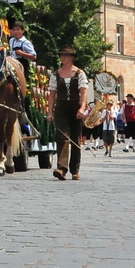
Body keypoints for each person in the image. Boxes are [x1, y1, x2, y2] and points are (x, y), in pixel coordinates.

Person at [48, 45, 90, 181]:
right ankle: (62, 168)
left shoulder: (79, 73)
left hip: (75, 106)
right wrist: (50, 112)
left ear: (72, 58)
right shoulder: (56, 74)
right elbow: (52, 94)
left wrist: (82, 108)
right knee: (62, 137)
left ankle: (75, 169)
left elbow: (84, 92)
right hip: (61, 107)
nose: (63, 58)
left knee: (76, 138)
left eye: (65, 56)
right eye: (62, 55)